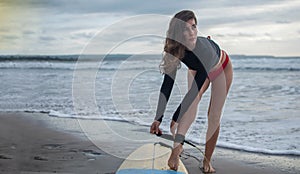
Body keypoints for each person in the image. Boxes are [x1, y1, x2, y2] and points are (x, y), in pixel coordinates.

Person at [150, 10, 233, 173]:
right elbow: (167, 83)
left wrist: (176, 116)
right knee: (190, 106)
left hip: (221, 69)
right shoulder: (174, 48)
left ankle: (207, 161)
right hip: (197, 70)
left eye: (194, 27)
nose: (192, 32)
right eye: (186, 29)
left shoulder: (204, 50)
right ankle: (177, 148)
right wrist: (158, 118)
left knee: (213, 116)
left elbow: (194, 92)